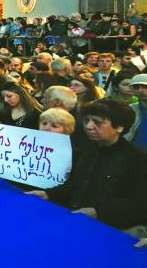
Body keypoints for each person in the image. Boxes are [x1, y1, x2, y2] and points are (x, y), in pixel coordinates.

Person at [28, 99, 147, 231]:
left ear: (120, 127)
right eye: (86, 121)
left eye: (98, 122)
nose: (89, 126)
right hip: (74, 222)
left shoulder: (137, 158)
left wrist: (98, 212)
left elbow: (138, 203)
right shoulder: (86, 150)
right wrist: (49, 194)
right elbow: (73, 183)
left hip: (107, 230)